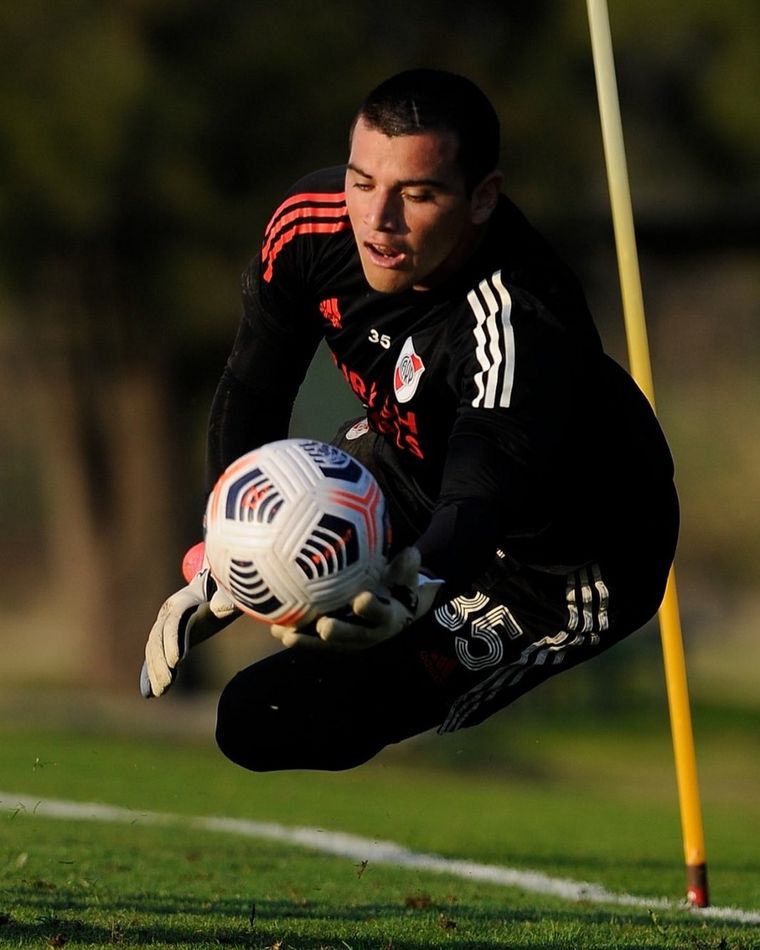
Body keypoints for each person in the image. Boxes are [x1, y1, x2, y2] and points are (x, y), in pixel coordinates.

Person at [142, 69, 679, 772]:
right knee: (249, 721)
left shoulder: (519, 320)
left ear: (482, 197)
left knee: (283, 714)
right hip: (409, 468)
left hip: (564, 562)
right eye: (362, 181)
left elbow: (478, 501)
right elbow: (253, 386)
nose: (378, 219)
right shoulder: (313, 224)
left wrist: (414, 587)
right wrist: (227, 547)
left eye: (417, 195)